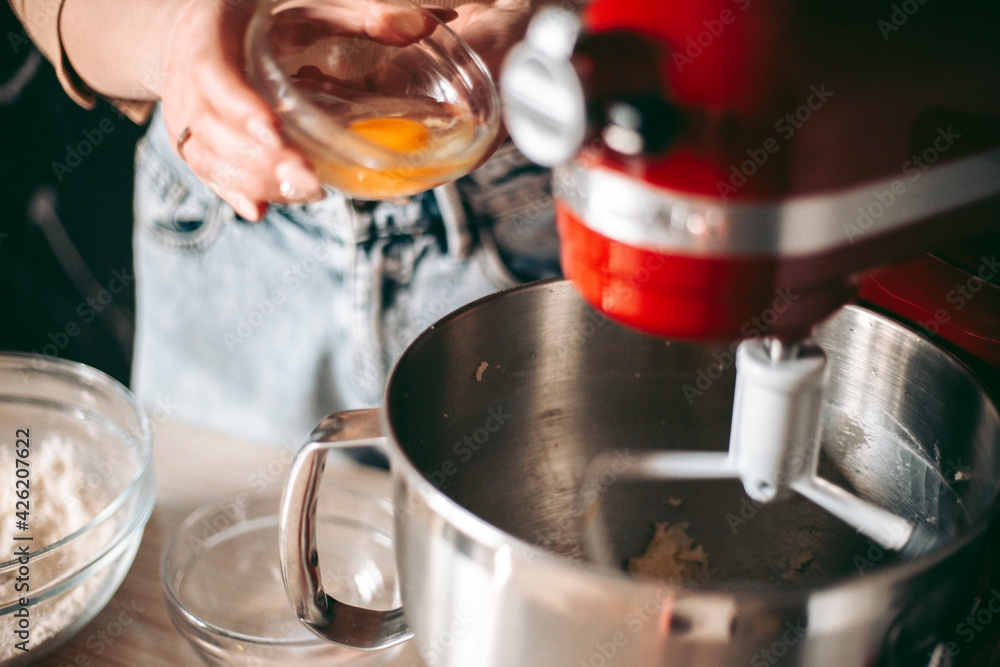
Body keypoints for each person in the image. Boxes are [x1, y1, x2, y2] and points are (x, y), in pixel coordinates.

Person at [10, 0, 560, 445]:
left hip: (530, 219)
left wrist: (570, 27)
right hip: (229, 215)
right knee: (211, 542)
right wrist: (173, 38)